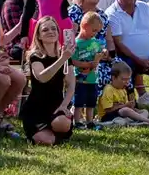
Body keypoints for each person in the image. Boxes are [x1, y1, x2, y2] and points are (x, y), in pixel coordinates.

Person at [17, 16, 76, 146]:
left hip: (56, 105)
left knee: (62, 123)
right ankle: (48, 136)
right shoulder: (35, 56)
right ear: (39, 35)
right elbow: (43, 77)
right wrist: (62, 59)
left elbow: (71, 83)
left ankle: (55, 132)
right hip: (36, 108)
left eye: (54, 29)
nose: (50, 32)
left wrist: (64, 105)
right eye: (45, 30)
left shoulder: (64, 53)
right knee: (46, 141)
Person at [70, 11, 108, 128]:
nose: (95, 34)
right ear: (85, 26)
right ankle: (77, 121)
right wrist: (86, 64)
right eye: (94, 30)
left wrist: (104, 53)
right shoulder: (76, 43)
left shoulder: (95, 42)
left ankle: (89, 121)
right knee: (79, 101)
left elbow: (102, 52)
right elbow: (73, 61)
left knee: (91, 101)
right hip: (80, 79)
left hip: (93, 78)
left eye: (97, 31)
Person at [98, 60, 149, 125]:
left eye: (128, 79)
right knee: (125, 111)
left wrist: (131, 107)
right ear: (114, 77)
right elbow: (108, 110)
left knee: (144, 111)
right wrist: (125, 106)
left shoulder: (123, 90)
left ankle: (140, 121)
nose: (127, 82)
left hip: (121, 114)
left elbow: (125, 106)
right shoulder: (109, 89)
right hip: (107, 117)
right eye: (123, 79)